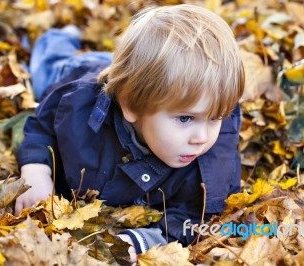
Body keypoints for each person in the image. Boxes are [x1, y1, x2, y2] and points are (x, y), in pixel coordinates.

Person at [15, 4, 244, 264]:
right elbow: (43, 125)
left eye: (215, 118)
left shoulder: (210, 156)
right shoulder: (77, 104)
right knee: (47, 66)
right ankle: (61, 35)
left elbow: (201, 215)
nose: (202, 137)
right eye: (185, 118)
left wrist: (148, 240)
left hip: (136, 79)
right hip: (79, 71)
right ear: (131, 106)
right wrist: (36, 170)